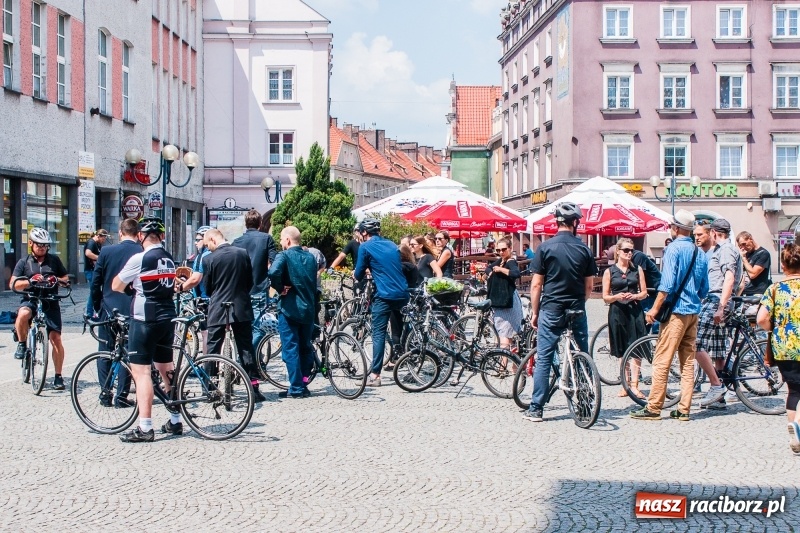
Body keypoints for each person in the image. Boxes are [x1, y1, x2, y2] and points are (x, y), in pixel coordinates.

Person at [631, 209, 709, 421]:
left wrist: (654, 310)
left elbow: (666, 286)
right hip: (693, 313)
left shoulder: (673, 249)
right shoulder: (699, 253)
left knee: (662, 360)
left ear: (675, 228)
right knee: (687, 362)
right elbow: (704, 290)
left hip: (675, 313)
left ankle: (654, 407)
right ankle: (684, 408)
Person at [524, 202, 597, 422]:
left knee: (544, 357)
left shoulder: (545, 248)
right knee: (582, 355)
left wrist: (535, 312)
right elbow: (589, 287)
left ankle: (536, 408)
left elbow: (536, 285)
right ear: (575, 223)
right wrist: (579, 303)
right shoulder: (584, 249)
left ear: (557, 222)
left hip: (551, 308)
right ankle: (585, 405)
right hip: (576, 308)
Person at [112, 218, 180, 442]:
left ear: (140, 236)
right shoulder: (169, 258)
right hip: (168, 317)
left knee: (141, 373)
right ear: (162, 236)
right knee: (166, 368)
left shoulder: (139, 258)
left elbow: (116, 285)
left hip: (145, 319)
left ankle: (145, 427)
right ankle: (175, 420)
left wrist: (132, 287)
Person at [200, 229, 266, 403]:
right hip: (240, 306)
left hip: (217, 308)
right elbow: (249, 280)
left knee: (213, 347)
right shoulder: (242, 254)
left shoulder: (209, 259)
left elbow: (207, 288)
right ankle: (254, 387)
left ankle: (210, 389)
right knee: (246, 347)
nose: (208, 248)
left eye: (208, 244)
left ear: (213, 239)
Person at [90, 218, 142, 408]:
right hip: (132, 308)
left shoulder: (106, 251)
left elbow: (96, 283)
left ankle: (105, 393)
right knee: (128, 351)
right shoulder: (141, 251)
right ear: (138, 234)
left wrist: (97, 306)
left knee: (105, 351)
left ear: (121, 233)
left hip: (108, 308)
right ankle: (121, 396)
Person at [10, 228, 70, 391]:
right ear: (31, 244)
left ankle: (58, 376)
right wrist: (30, 281)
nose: (43, 247)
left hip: (50, 301)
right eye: (39, 244)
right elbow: (13, 284)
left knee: (56, 338)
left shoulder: (54, 260)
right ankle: (22, 344)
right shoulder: (24, 262)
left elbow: (66, 279)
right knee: (23, 314)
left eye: (45, 245)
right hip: (31, 299)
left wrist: (56, 279)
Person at [354, 217, 409, 387]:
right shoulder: (392, 244)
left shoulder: (365, 247)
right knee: (400, 328)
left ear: (364, 232)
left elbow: (358, 273)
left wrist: (361, 274)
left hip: (384, 295)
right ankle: (403, 355)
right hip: (403, 293)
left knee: (378, 333)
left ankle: (375, 375)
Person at [756, 243, 800, 455]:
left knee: (793, 390)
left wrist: (775, 328)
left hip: (782, 346)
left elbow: (761, 319)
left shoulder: (774, 290)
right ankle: (798, 427)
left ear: (783, 266)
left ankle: (795, 433)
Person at [697, 218, 743, 410]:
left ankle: (716, 386)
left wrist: (721, 306)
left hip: (717, 301)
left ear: (714, 233)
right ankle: (719, 399)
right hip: (720, 301)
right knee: (717, 350)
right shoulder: (725, 250)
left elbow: (730, 279)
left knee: (694, 343)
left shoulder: (725, 250)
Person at [268, 226, 318, 398]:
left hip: (290, 309)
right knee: (305, 347)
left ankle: (296, 387)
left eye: (282, 239)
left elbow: (273, 272)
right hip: (308, 309)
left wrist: (280, 288)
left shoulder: (284, 255)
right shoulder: (311, 257)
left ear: (287, 240)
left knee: (290, 348)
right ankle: (304, 382)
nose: (281, 242)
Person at [602, 238, 648, 398]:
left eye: (631, 251)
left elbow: (644, 293)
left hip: (635, 311)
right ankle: (625, 384)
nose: (630, 253)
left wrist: (635, 295)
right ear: (618, 252)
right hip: (617, 312)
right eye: (626, 250)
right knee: (622, 350)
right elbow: (605, 297)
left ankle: (635, 385)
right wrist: (617, 297)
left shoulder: (638, 270)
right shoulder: (609, 271)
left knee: (636, 348)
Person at [232, 209, 278, 350]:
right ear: (260, 224)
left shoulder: (236, 242)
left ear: (246, 224)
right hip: (259, 286)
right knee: (259, 327)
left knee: (245, 328)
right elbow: (275, 263)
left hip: (240, 292)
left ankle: (252, 358)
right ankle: (250, 357)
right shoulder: (266, 239)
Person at [485, 238, 523, 352]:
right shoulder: (501, 260)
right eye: (498, 250)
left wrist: (501, 270)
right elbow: (488, 268)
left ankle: (503, 367)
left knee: (505, 334)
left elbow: (516, 273)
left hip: (508, 300)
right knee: (506, 335)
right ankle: (509, 365)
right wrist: (490, 272)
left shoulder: (510, 261)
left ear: (510, 249)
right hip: (503, 300)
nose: (501, 252)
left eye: (504, 249)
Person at [83, 229, 109, 317]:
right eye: (103, 238)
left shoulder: (97, 244)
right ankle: (89, 313)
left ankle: (92, 312)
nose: (104, 240)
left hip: (94, 270)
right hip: (90, 270)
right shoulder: (91, 242)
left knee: (95, 291)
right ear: (98, 236)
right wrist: (99, 258)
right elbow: (88, 253)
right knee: (93, 292)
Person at [737, 231, 771, 297]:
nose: (743, 248)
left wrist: (744, 259)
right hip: (743, 292)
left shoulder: (763, 253)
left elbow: (753, 274)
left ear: (750, 239)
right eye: (740, 246)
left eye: (744, 244)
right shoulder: (746, 254)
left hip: (756, 293)